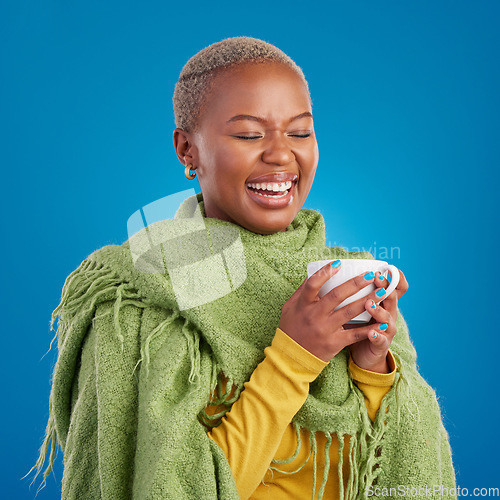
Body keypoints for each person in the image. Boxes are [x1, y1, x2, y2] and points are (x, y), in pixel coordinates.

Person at [32, 37, 456, 499]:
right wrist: (295, 357)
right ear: (187, 150)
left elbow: (401, 471)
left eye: (299, 132)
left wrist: (373, 370)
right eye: (250, 134)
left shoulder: (348, 283)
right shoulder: (139, 294)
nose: (280, 155)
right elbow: (167, 486)